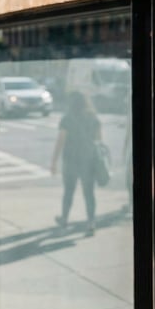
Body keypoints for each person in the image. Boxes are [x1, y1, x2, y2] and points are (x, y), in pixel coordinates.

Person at [51, 91, 101, 236]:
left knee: (68, 192)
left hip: (71, 160)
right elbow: (99, 139)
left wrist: (54, 161)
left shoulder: (67, 119)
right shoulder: (93, 118)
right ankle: (91, 222)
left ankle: (64, 219)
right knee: (89, 193)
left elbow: (61, 141)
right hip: (89, 160)